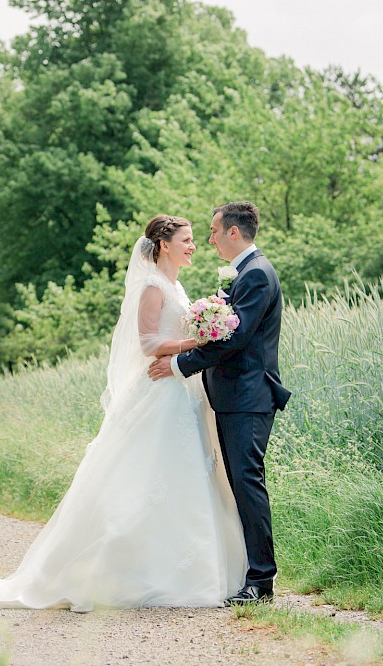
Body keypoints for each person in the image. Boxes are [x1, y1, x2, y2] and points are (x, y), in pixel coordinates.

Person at [0, 215, 247, 612]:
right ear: (163, 245)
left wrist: (196, 342)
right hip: (159, 392)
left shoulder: (177, 285)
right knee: (145, 477)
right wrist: (197, 339)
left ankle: (189, 568)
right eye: (186, 240)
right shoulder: (153, 287)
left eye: (193, 239)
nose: (193, 246)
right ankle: (122, 571)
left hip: (183, 390)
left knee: (185, 475)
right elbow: (148, 341)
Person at [148, 202, 291, 606]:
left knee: (247, 483)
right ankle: (250, 572)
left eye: (212, 231)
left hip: (248, 397)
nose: (208, 239)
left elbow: (235, 339)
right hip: (232, 398)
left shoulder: (257, 275)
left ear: (233, 232)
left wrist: (179, 364)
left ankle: (262, 581)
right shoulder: (242, 273)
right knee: (239, 484)